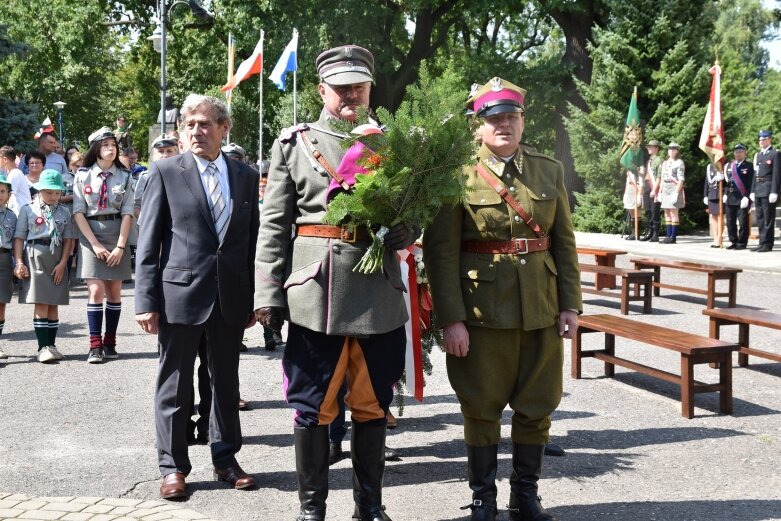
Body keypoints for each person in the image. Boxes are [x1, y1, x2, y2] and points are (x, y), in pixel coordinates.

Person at [254, 45, 414, 521]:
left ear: (370, 89)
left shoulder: (394, 144)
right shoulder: (295, 143)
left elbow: (413, 211)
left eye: (358, 86)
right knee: (311, 405)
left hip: (376, 290)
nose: (350, 95)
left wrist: (410, 229)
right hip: (316, 293)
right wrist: (267, 295)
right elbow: (274, 225)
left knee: (372, 404)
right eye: (340, 87)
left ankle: (369, 507)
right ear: (321, 90)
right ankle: (312, 510)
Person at [423, 77, 582, 521]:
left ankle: (525, 496)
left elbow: (563, 244)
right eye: (495, 118)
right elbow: (440, 253)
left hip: (542, 310)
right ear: (479, 126)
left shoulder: (549, 170)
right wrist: (451, 319)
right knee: (480, 405)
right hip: (481, 314)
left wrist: (570, 304)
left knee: (538, 405)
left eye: (512, 116)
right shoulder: (455, 174)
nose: (505, 125)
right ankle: (483, 497)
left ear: (523, 121)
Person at [135, 94, 260, 500]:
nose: (196, 131)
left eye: (205, 124)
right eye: (189, 125)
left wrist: (251, 298)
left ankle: (225, 458)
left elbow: (249, 242)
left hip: (229, 298)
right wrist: (145, 301)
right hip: (179, 296)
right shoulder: (166, 171)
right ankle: (173, 467)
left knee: (224, 381)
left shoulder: (244, 175)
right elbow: (149, 241)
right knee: (174, 384)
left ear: (224, 129)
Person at [72, 127, 134, 363]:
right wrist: (95, 244)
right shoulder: (83, 175)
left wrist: (120, 246)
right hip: (91, 236)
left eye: (113, 145)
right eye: (105, 145)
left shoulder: (125, 176)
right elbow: (78, 212)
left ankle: (110, 341)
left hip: (117, 232)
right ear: (96, 149)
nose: (111, 148)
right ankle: (95, 345)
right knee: (96, 291)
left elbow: (128, 212)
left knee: (114, 292)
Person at [13, 169, 76, 363]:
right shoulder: (28, 209)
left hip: (57, 258)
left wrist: (64, 263)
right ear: (40, 190)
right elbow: (19, 237)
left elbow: (68, 240)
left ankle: (52, 344)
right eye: (49, 192)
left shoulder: (64, 211)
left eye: (57, 192)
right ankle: (42, 347)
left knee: (54, 301)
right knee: (41, 301)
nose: (53, 196)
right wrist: (19, 262)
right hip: (35, 256)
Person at [750, 130, 780, 252]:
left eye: (764, 139)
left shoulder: (775, 154)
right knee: (760, 218)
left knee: (768, 218)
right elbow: (755, 174)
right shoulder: (758, 155)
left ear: (769, 139)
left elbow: (777, 174)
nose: (761, 142)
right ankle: (762, 242)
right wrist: (752, 190)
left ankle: (768, 244)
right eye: (760, 139)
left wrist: (774, 191)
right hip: (758, 188)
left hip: (768, 189)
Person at [724, 143, 754, 250]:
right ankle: (733, 240)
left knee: (742, 222)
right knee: (730, 221)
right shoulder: (730, 165)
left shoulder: (749, 166)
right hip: (730, 196)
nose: (738, 153)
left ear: (745, 153)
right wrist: (725, 194)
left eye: (740, 151)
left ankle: (742, 243)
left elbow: (751, 183)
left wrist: (747, 197)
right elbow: (728, 182)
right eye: (736, 151)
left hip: (742, 197)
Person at [0, 174, 17, 361]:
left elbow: (16, 241)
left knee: (1, 303)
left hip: (3, 259)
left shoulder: (12, 216)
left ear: (9, 195)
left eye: (2, 191)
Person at [658, 142, 685, 244]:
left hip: (674, 187)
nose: (671, 151)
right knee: (666, 213)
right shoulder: (664, 163)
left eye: (674, 149)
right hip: (665, 187)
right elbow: (662, 179)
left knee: (674, 213)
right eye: (670, 149)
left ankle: (673, 237)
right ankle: (667, 235)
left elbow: (681, 179)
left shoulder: (679, 162)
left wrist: (676, 193)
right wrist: (660, 192)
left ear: (677, 151)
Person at [640, 140, 663, 241]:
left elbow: (659, 176)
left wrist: (654, 189)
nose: (648, 148)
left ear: (657, 148)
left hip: (654, 187)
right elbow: (646, 175)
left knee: (655, 211)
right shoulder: (649, 161)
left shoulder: (659, 160)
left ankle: (655, 234)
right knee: (648, 210)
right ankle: (650, 231)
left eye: (651, 147)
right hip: (647, 186)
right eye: (648, 147)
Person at [0, 146, 32, 215]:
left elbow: (7, 196)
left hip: (21, 215)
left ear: (5, 159)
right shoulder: (13, 173)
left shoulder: (14, 174)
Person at [703, 163, 725, 247]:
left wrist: (725, 193)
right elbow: (706, 181)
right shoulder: (709, 166)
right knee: (713, 217)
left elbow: (728, 181)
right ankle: (715, 237)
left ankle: (720, 237)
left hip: (720, 193)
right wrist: (705, 195)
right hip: (711, 193)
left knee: (720, 217)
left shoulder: (723, 165)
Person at [622, 168, 643, 240]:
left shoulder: (640, 168)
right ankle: (633, 233)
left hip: (636, 190)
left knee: (637, 212)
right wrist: (625, 194)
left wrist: (639, 194)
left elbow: (641, 182)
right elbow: (627, 182)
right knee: (631, 212)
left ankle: (637, 233)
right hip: (629, 191)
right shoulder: (629, 169)